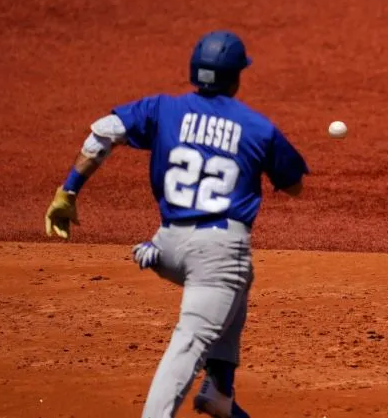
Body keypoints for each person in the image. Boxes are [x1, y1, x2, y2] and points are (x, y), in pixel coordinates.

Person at [44, 30, 309, 418]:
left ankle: (220, 390)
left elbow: (103, 133)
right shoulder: (257, 127)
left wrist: (68, 192)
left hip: (165, 246)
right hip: (217, 255)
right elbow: (295, 186)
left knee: (241, 279)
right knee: (188, 342)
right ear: (237, 76)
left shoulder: (162, 109)